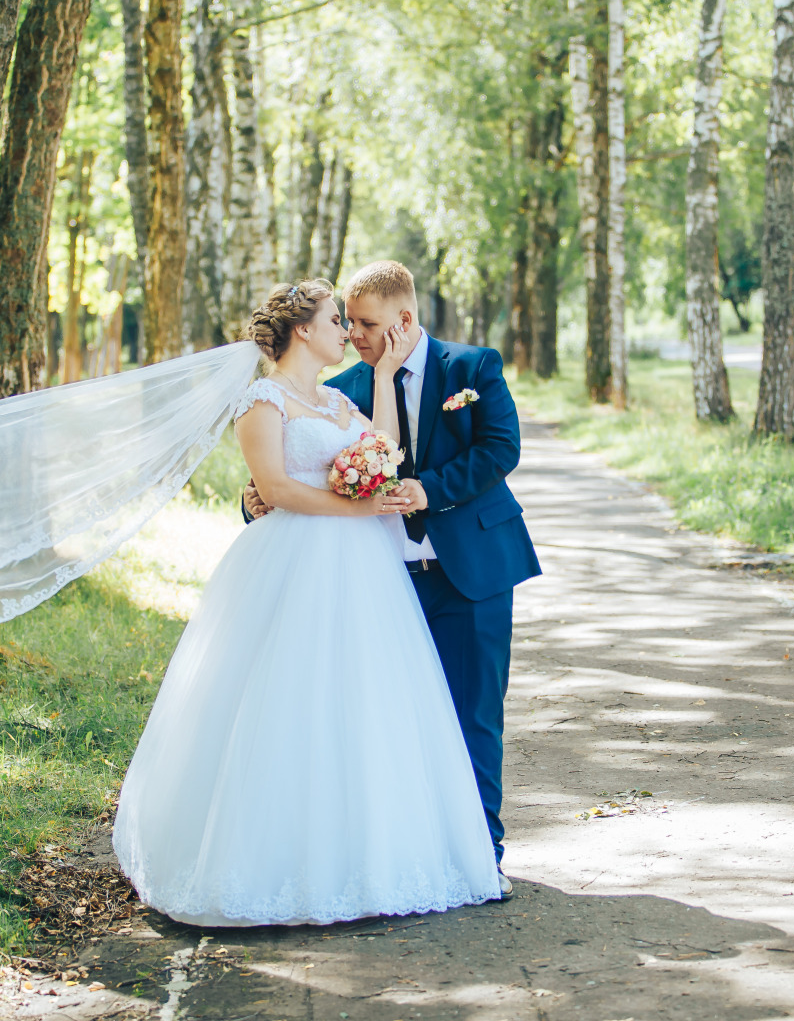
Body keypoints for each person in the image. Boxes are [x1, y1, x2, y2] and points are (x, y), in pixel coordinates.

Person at [111, 280, 504, 926]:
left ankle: (380, 854)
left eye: (353, 323)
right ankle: (273, 858)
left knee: (367, 706)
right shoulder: (262, 400)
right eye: (335, 320)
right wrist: (356, 504)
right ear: (303, 330)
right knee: (287, 702)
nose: (346, 332)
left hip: (366, 570)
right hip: (297, 563)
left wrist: (378, 388)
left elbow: (381, 449)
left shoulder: (337, 396)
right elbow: (273, 487)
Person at [244, 260, 541, 887]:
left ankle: (481, 858)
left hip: (471, 573)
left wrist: (425, 489)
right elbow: (293, 467)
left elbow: (500, 448)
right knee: (395, 722)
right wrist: (251, 501)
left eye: (366, 323)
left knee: (474, 717)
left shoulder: (472, 367)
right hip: (383, 583)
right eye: (345, 322)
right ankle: (420, 853)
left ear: (404, 320)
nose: (353, 334)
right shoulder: (345, 386)